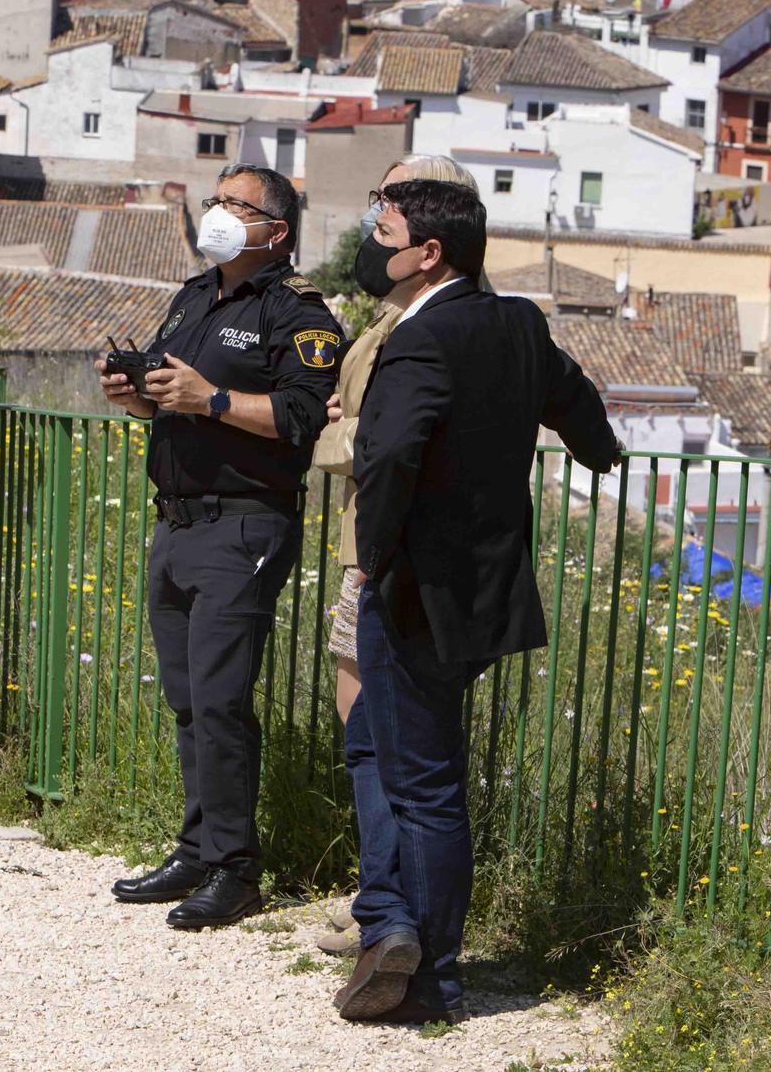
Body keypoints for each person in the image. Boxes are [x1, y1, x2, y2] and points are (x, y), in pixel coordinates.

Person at [334, 178, 619, 1025]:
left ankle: (432, 976)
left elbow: (387, 460)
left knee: (424, 784)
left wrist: (374, 557)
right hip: (488, 586)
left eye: (383, 231)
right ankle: (386, 923)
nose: (370, 244)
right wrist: (597, 452)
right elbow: (579, 406)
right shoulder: (517, 321)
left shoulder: (421, 341)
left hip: (419, 586)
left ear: (428, 253)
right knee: (373, 746)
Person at [100, 163, 342, 929]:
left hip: (244, 523)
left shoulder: (297, 313)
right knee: (187, 698)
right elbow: (177, 397)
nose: (219, 211)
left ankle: (237, 868)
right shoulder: (194, 295)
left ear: (276, 230)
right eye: (217, 198)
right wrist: (139, 397)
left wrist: (213, 398)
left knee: (221, 700)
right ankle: (198, 847)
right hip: (175, 522)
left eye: (238, 203)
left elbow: (305, 414)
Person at [309, 156, 478, 959]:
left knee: (377, 743)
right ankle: (385, 905)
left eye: (392, 207)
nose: (378, 219)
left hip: (376, 556)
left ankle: (389, 912)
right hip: (377, 549)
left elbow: (376, 444)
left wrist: (335, 427)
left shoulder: (417, 331)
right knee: (386, 744)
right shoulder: (405, 322)